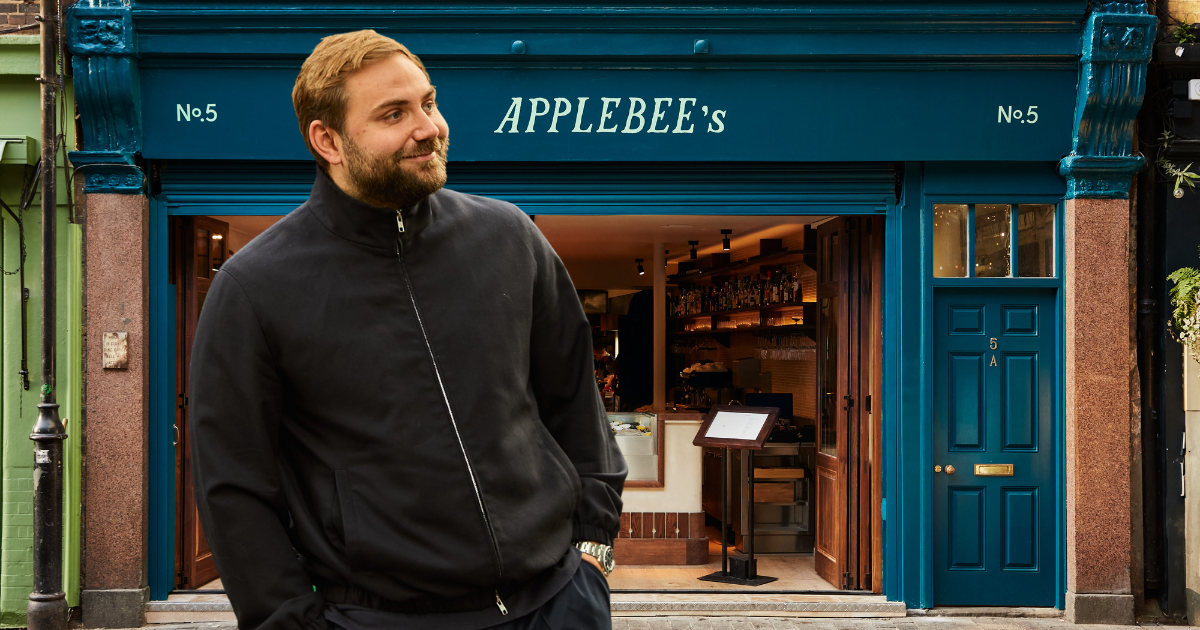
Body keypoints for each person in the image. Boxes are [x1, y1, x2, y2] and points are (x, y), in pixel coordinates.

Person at [188, 29, 627, 630]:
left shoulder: (509, 237)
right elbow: (233, 484)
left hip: (555, 604)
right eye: (394, 113)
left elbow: (576, 400)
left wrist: (593, 554)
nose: (429, 126)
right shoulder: (254, 286)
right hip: (380, 618)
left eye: (428, 102)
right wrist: (290, 620)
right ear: (328, 140)